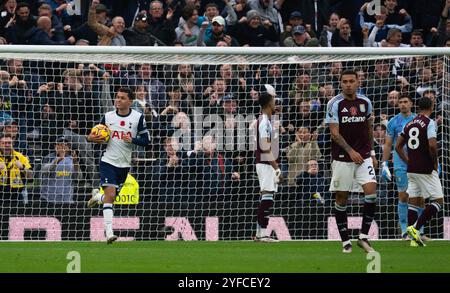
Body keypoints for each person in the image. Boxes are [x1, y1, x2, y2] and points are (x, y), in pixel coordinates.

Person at [86, 87, 150, 244]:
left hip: (124, 164)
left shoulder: (138, 117)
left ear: (130, 101)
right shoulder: (107, 117)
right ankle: (109, 233)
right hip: (108, 161)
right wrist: (94, 138)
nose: (118, 100)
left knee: (111, 198)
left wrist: (132, 140)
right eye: (117, 97)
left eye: (122, 98)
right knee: (111, 196)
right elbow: (91, 136)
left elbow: (146, 141)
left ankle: (97, 196)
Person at [325, 69, 378, 253]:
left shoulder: (366, 102)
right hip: (342, 158)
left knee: (371, 193)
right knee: (342, 198)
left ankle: (363, 237)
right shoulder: (334, 103)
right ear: (340, 83)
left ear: (358, 82)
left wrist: (371, 152)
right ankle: (345, 241)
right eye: (345, 81)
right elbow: (334, 133)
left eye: (351, 81)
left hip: (363, 156)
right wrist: (350, 151)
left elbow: (369, 128)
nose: (348, 84)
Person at [395, 97, 444, 247]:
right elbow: (432, 145)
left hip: (411, 169)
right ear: (432, 106)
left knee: (414, 202)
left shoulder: (409, 123)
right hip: (425, 168)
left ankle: (413, 240)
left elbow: (397, 147)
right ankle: (416, 229)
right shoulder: (430, 123)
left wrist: (408, 160)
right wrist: (435, 162)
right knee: (438, 201)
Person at [381, 94, 428, 240]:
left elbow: (427, 142)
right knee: (404, 196)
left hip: (418, 162)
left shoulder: (419, 120)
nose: (402, 104)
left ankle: (419, 231)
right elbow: (388, 144)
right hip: (400, 163)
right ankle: (404, 230)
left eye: (405, 102)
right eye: (400, 102)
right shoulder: (393, 122)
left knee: (420, 197)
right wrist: (384, 164)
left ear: (411, 104)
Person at [254, 90, 281, 242]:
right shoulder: (264, 121)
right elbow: (265, 146)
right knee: (268, 197)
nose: (275, 102)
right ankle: (263, 234)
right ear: (268, 103)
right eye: (273, 100)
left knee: (267, 197)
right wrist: (276, 167)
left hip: (265, 163)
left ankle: (259, 234)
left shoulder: (267, 120)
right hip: (265, 163)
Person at [40, 136, 81, 203]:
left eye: (65, 144)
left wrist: (75, 163)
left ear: (69, 147)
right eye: (60, 144)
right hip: (49, 200)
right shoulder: (49, 157)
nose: (63, 146)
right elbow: (44, 171)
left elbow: (79, 178)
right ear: (55, 146)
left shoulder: (73, 159)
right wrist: (58, 160)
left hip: (67, 200)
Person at [0, 133, 32, 203]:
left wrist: (22, 167)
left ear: (13, 144)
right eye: (4, 143)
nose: (7, 145)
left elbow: (31, 177)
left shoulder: (20, 157)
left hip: (17, 196)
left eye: (9, 143)